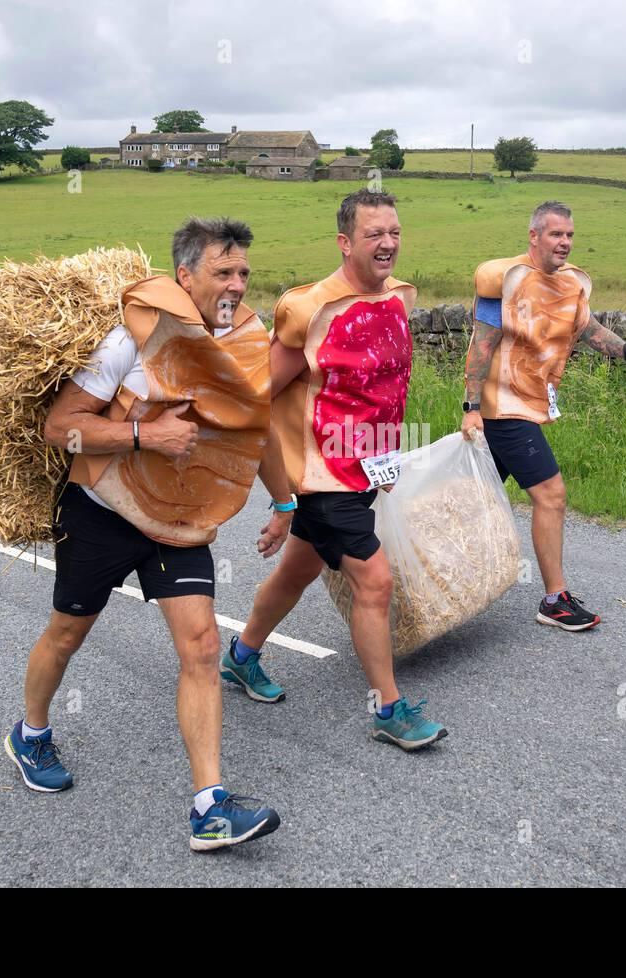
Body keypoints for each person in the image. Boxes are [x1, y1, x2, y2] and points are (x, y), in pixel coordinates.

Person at [6, 217, 290, 851]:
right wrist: (144, 434)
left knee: (202, 648)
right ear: (184, 275)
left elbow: (254, 428)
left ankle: (210, 807)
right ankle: (30, 733)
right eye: (223, 271)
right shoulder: (131, 339)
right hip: (102, 511)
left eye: (244, 272)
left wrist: (284, 498)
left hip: (179, 523)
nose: (237, 285)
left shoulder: (244, 343)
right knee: (67, 632)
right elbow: (62, 428)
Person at [222, 189, 448, 751]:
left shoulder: (397, 297)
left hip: (365, 466)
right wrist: (280, 492)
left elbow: (383, 388)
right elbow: (258, 395)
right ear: (346, 242)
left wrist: (385, 454)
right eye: (375, 234)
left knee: (296, 571)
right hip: (322, 476)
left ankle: (240, 657)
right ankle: (388, 709)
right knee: (375, 581)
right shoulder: (310, 309)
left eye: (394, 232)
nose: (388, 244)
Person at [460, 200, 626, 631]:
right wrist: (471, 409)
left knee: (475, 501)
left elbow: (587, 329)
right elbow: (481, 345)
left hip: (532, 404)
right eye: (555, 234)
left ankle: (429, 577)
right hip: (504, 410)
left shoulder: (571, 284)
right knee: (551, 496)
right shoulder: (506, 282)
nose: (564, 242)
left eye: (569, 235)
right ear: (534, 236)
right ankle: (555, 600)